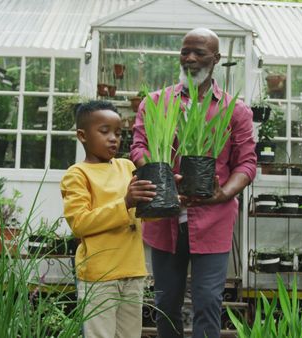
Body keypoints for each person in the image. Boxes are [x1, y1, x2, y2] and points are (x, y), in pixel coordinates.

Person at [130, 28, 257, 338]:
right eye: (185, 51)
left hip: (214, 219)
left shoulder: (234, 110)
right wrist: (162, 179)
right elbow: (139, 147)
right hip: (165, 218)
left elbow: (247, 163)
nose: (189, 58)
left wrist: (222, 193)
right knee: (165, 301)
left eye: (199, 52)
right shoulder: (156, 103)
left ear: (216, 59)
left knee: (208, 301)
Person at [61, 100, 157, 338]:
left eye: (118, 132)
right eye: (104, 132)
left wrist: (170, 195)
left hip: (133, 271)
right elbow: (80, 223)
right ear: (82, 135)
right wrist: (125, 203)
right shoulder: (78, 174)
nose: (113, 138)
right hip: (99, 276)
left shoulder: (126, 166)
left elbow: (142, 215)